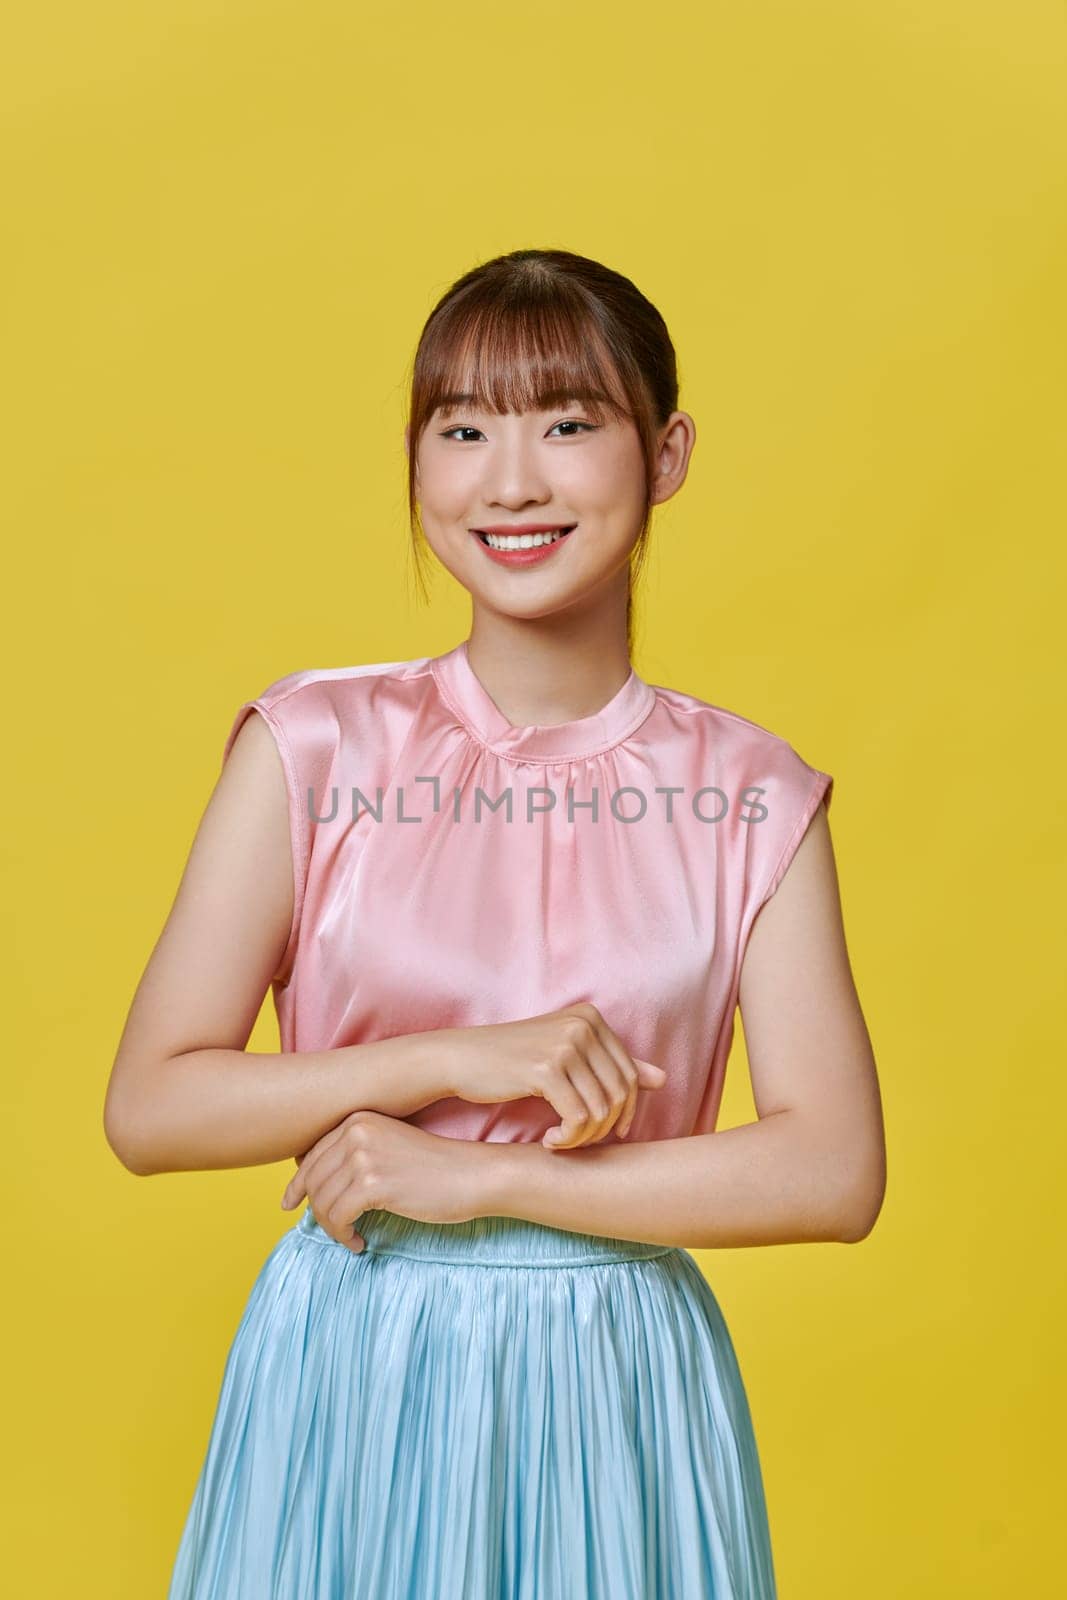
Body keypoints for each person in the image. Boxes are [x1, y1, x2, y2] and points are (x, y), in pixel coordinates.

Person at [104, 246, 885, 1599]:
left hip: (616, 1380)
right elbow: (151, 1108)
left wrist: (497, 1181)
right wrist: (450, 1062)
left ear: (669, 450)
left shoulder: (752, 794)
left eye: (568, 424)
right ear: (415, 461)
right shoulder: (314, 747)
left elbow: (834, 1172)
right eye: (461, 428)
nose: (509, 481)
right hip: (355, 1365)